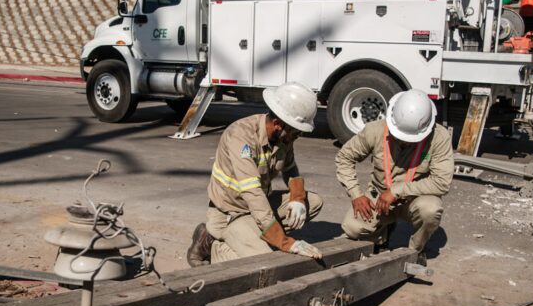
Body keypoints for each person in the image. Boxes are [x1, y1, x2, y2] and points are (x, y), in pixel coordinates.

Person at [186, 82, 324, 266]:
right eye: (295, 133)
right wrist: (284, 243)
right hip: (232, 213)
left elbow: (290, 168)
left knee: (313, 202)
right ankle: (211, 245)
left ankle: (259, 234)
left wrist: (297, 198)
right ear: (277, 124)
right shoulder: (241, 137)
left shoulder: (282, 136)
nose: (295, 138)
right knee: (264, 261)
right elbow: (253, 193)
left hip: (258, 207)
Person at [335, 89, 454, 262]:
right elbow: (344, 158)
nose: (404, 141)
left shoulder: (439, 137)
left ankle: (415, 251)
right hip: (379, 198)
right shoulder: (374, 130)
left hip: (413, 199)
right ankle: (382, 234)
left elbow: (442, 182)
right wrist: (356, 194)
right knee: (352, 228)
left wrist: (398, 190)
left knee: (431, 210)